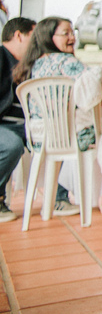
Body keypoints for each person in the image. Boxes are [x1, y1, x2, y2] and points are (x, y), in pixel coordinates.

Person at [14, 17, 102, 215]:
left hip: (40, 138)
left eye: (72, 32)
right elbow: (94, 83)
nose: (72, 37)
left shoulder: (33, 64)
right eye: (65, 33)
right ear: (49, 37)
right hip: (73, 137)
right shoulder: (69, 63)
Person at [0, 17, 37, 221]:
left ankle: (58, 197)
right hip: (4, 126)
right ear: (18, 36)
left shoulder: (29, 64)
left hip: (27, 126)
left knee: (59, 140)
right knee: (11, 145)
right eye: (34, 36)